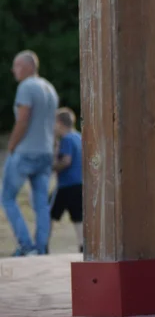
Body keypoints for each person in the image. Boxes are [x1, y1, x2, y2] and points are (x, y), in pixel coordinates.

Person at [2, 51, 58, 256]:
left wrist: (12, 145)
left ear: (28, 67)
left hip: (26, 151)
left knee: (7, 197)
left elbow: (23, 119)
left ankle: (26, 246)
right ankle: (41, 247)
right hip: (45, 151)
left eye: (16, 65)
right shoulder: (49, 88)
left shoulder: (26, 87)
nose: (13, 70)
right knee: (41, 202)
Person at [49, 108, 83, 253]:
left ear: (59, 123)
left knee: (47, 213)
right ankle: (83, 245)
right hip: (80, 183)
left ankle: (42, 243)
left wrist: (52, 167)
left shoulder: (67, 139)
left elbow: (66, 160)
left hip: (66, 184)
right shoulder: (79, 137)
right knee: (78, 216)